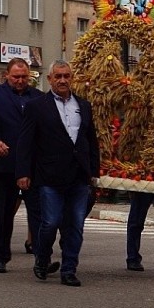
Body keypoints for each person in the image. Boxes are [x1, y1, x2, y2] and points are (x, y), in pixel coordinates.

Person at [16, 60, 99, 287]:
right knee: (50, 222)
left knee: (75, 225)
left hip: (78, 177)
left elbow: (91, 140)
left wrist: (93, 171)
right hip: (49, 176)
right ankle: (42, 259)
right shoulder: (36, 106)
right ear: (50, 79)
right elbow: (25, 142)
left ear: (72, 78)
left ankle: (69, 269)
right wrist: (23, 172)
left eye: (66, 76)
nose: (62, 80)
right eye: (58, 76)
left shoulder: (83, 105)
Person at [0, 58, 45, 274]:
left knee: (38, 213)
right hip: (4, 162)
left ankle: (41, 257)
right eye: (16, 77)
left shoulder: (38, 97)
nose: (20, 80)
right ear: (7, 75)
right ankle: (1, 255)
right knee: (4, 213)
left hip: (33, 165)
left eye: (25, 77)